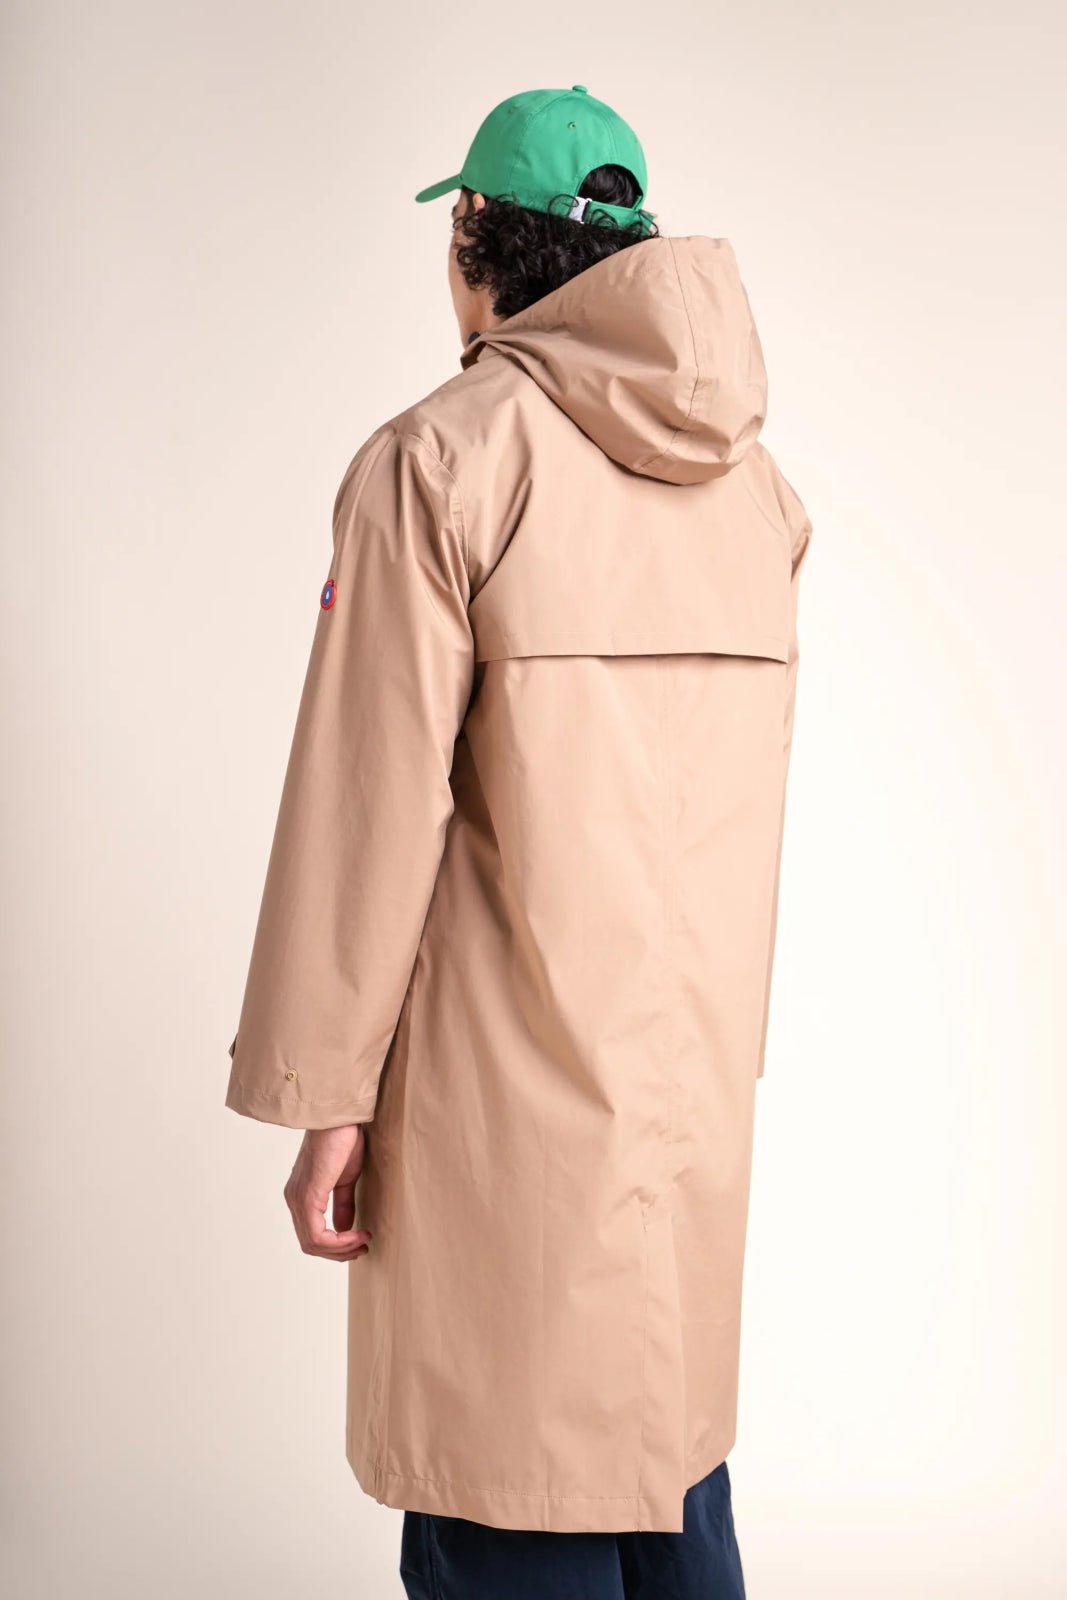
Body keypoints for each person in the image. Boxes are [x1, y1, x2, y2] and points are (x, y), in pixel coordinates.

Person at [224, 83, 812, 1600]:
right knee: (663, 1473)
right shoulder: (754, 490)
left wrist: (324, 1097)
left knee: (505, 1479)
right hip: (685, 1108)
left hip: (497, 1109)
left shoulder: (439, 461)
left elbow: (366, 805)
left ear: (475, 242)